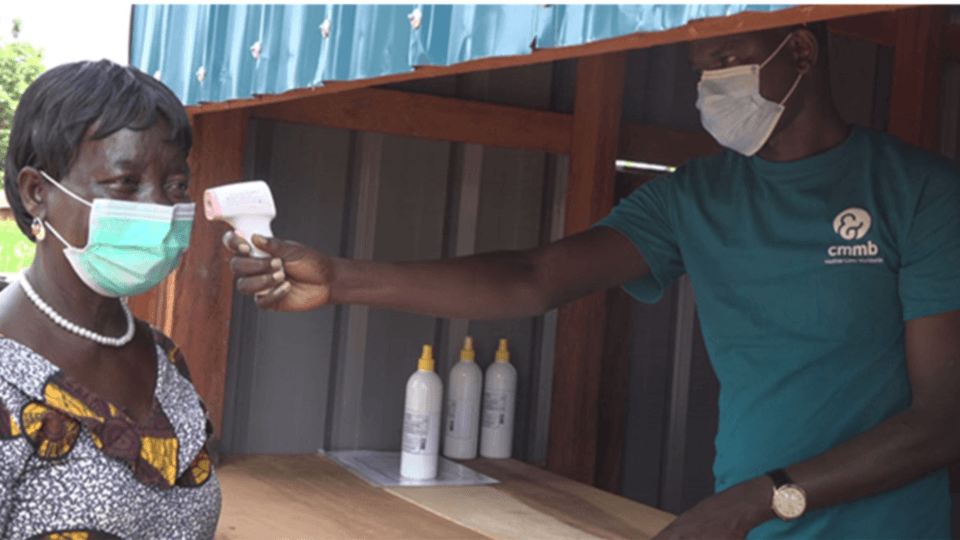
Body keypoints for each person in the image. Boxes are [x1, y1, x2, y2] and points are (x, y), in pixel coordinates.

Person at [223, 23, 960, 540]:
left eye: (731, 57)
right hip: (746, 527)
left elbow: (943, 420)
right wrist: (342, 278)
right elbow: (531, 278)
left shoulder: (919, 193)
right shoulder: (693, 198)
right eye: (702, 67)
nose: (712, 84)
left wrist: (757, 501)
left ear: (801, 49)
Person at [0, 60, 220, 538]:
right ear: (37, 193)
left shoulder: (166, 361)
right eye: (125, 184)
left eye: (176, 185)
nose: (160, 209)